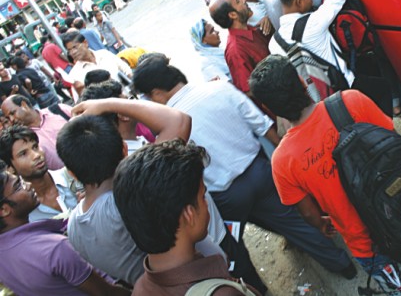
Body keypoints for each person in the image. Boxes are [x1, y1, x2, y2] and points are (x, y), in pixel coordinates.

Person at [132, 57, 357, 284]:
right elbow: (261, 123)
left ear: (157, 92)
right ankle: (343, 264)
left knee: (234, 248)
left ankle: (253, 288)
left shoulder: (169, 126)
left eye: (148, 97)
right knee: (293, 222)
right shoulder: (219, 88)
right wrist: (284, 157)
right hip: (260, 174)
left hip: (226, 200)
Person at [249, 55, 401, 296]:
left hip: (368, 245)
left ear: (269, 108)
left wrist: (322, 223)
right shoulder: (350, 101)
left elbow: (307, 212)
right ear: (301, 80)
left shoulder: (282, 161)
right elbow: (394, 144)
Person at [55, 98, 190, 285]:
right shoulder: (138, 191)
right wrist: (106, 104)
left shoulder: (73, 228)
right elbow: (178, 121)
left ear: (72, 173)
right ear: (125, 149)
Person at [114, 140, 260, 296]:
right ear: (189, 215)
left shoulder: (140, 289)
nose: (206, 204)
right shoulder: (224, 294)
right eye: (203, 197)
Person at [0, 171, 130, 295]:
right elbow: (107, 292)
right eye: (18, 186)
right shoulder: (54, 248)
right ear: (4, 210)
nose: (28, 185)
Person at [269, 0, 355, 86]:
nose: (312, 1)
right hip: (346, 86)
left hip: (317, 94)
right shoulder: (312, 23)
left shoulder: (274, 43)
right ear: (299, 1)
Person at [0, 125, 78, 221]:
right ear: (10, 168)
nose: (36, 155)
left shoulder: (73, 176)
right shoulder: (24, 211)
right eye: (23, 154)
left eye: (35, 147)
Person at [1, 94, 71, 170]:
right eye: (8, 117)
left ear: (24, 105)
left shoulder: (58, 110)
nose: (11, 119)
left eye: (12, 113)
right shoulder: (23, 138)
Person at [62, 31, 133, 96]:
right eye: (69, 50)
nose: (73, 52)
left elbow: (126, 70)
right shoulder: (74, 75)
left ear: (85, 43)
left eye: (75, 47)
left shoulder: (104, 54)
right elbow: (80, 99)